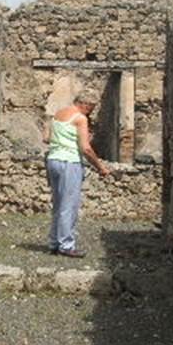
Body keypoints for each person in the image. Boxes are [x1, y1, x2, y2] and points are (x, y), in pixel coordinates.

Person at [43, 88, 110, 258]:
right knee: (69, 205)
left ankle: (54, 242)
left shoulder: (58, 114)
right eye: (91, 108)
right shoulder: (80, 118)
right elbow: (86, 148)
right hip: (69, 162)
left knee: (58, 204)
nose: (91, 112)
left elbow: (47, 138)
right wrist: (100, 167)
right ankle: (66, 245)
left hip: (53, 160)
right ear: (85, 104)